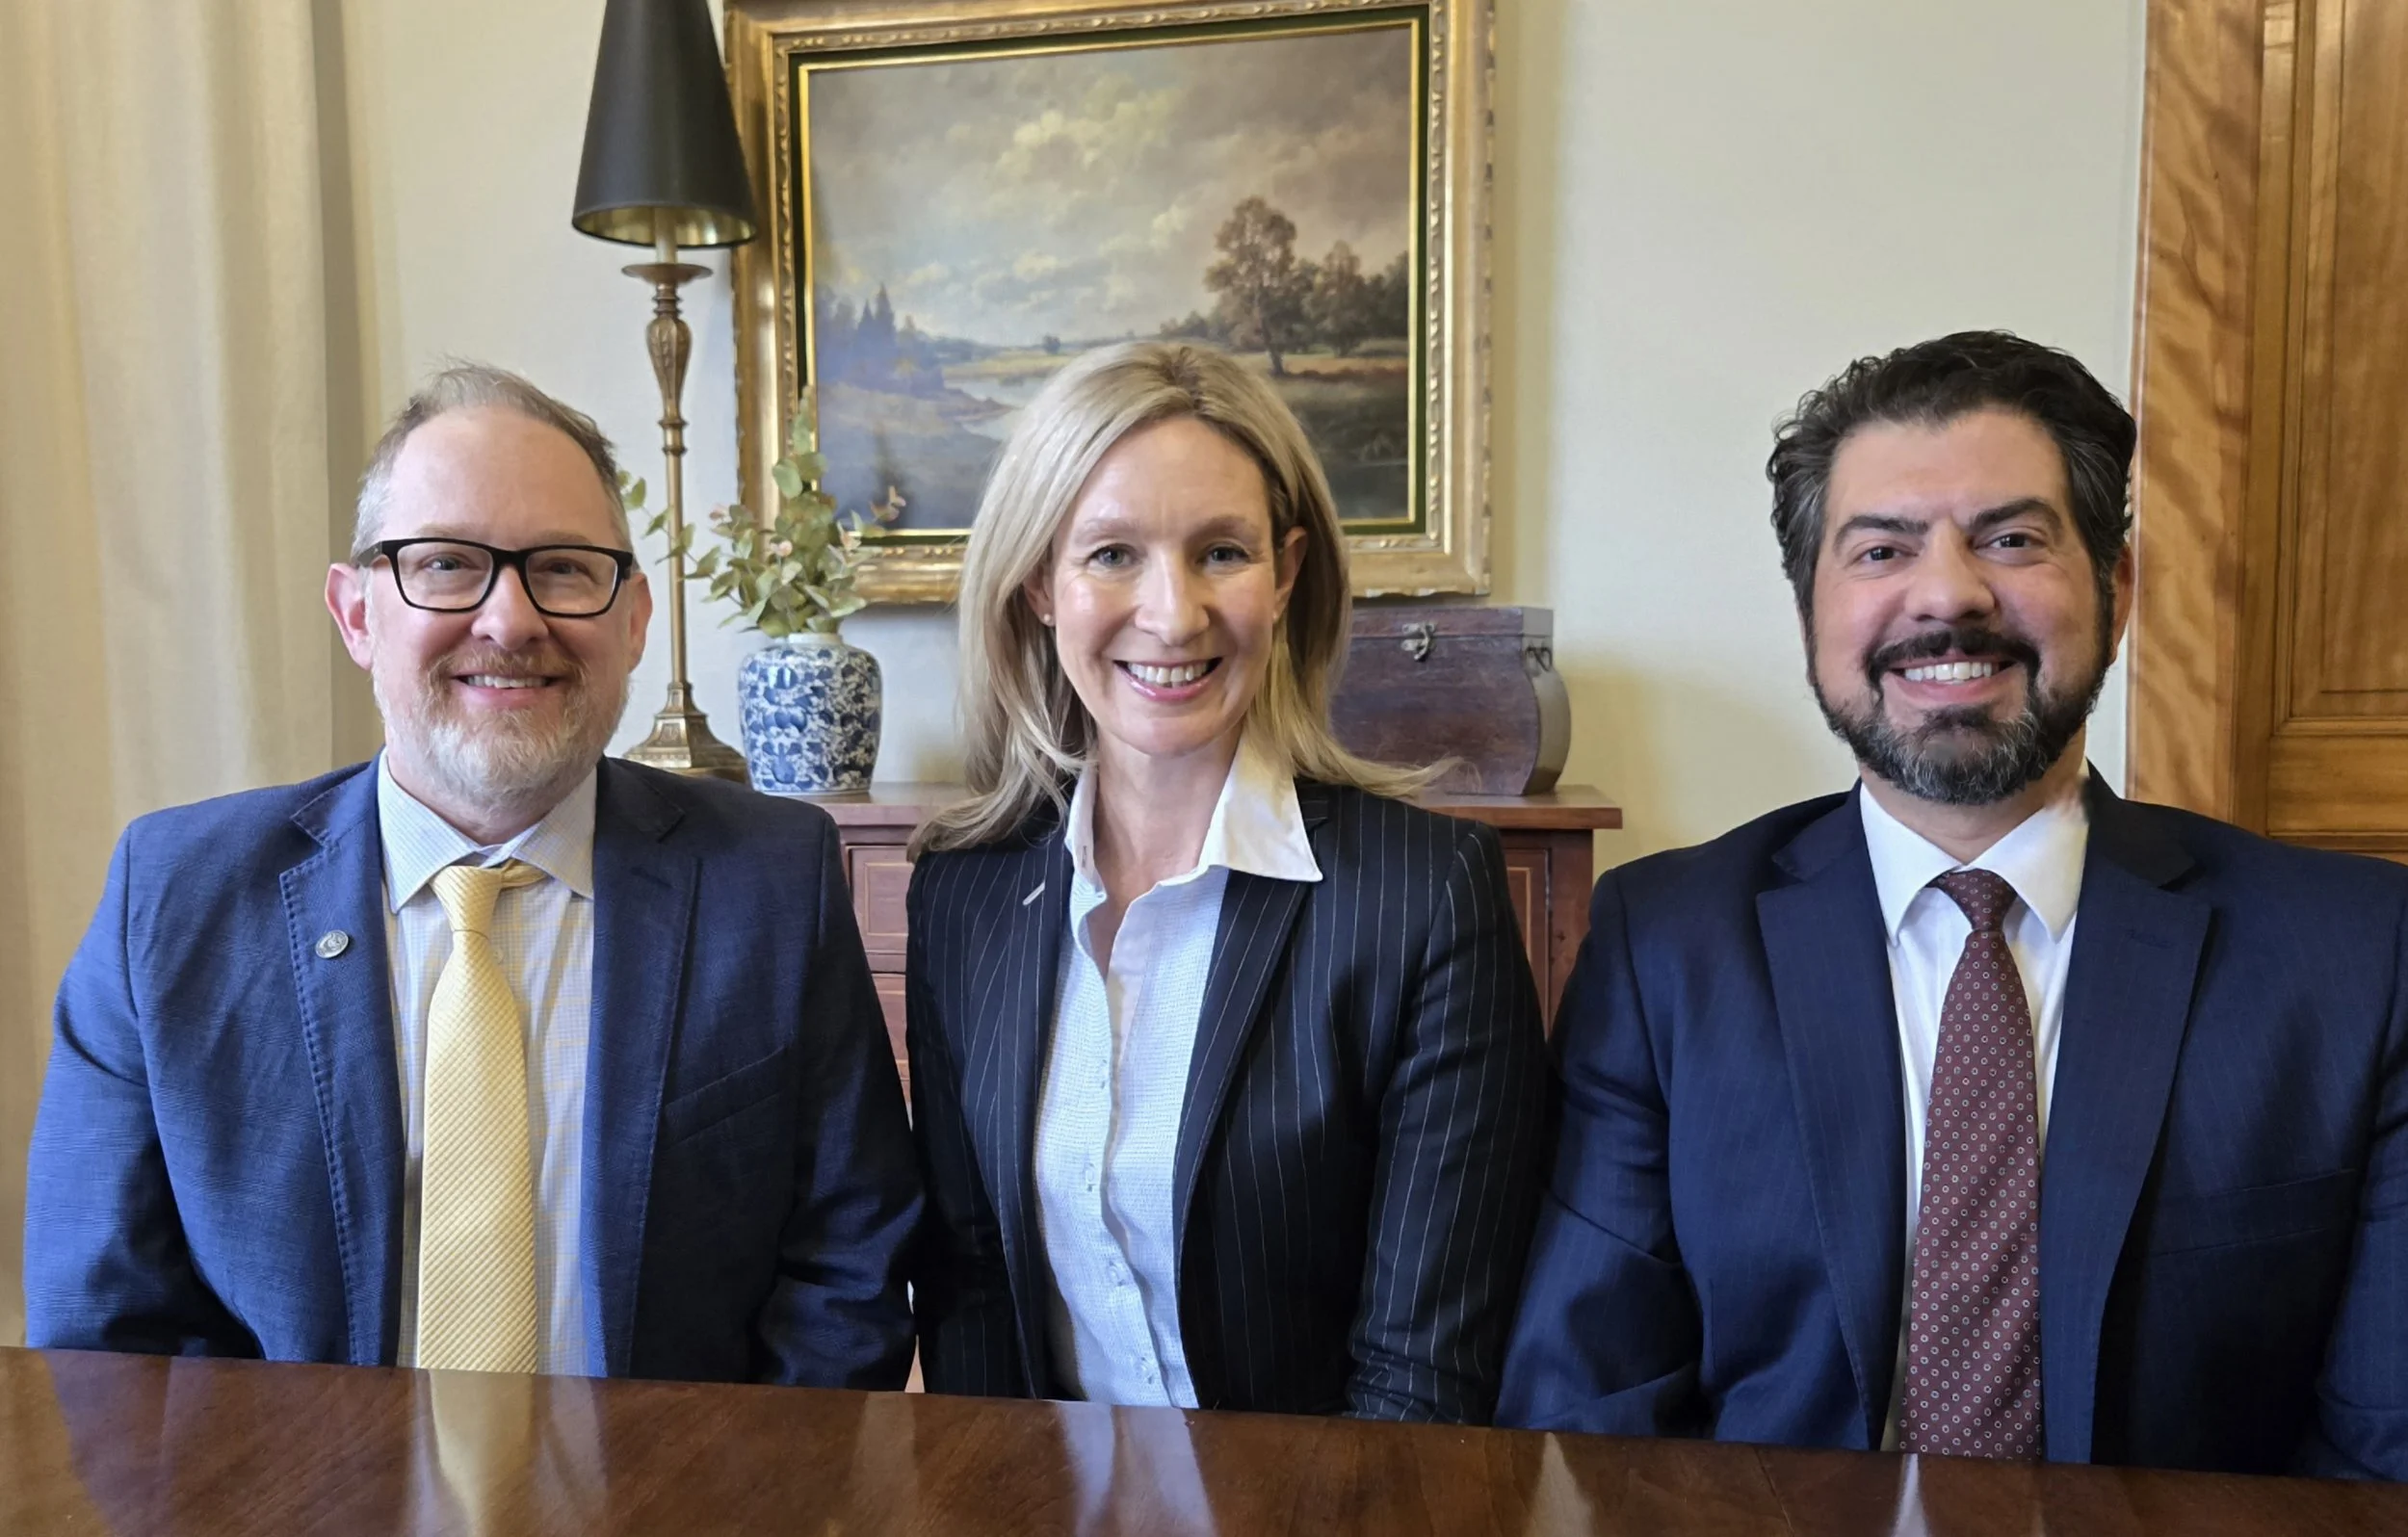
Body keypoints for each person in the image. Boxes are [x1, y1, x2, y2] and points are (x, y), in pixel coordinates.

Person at [1499, 331, 2408, 1478]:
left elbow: (2382, 1455)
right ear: (1809, 614)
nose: (1947, 595)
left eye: (2011, 539)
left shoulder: (2355, 957)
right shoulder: (1664, 948)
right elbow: (1589, 1413)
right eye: (1880, 550)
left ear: (2115, 592)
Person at [25, 364, 920, 1386]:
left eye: (565, 569)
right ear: (357, 613)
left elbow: (845, 1279)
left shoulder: (772, 882)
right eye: (447, 565)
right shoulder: (171, 899)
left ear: (633, 622)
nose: (509, 620)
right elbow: (106, 1333)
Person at [905, 341, 1551, 1421]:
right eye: (1111, 554)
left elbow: (1422, 1378)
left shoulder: (1427, 897)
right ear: (1037, 587)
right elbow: (971, 1301)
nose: (1172, 614)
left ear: (1287, 572)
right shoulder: (962, 897)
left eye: (1220, 553)